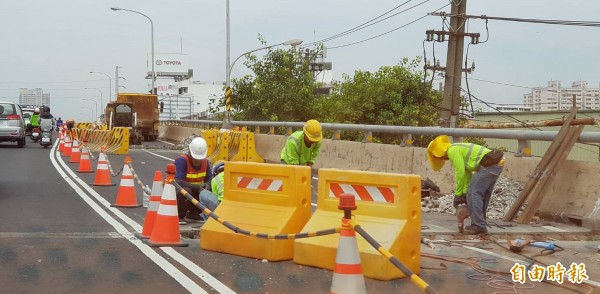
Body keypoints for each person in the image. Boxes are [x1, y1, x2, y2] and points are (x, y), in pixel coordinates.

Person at [426, 135, 504, 235]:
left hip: (490, 164)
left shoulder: (452, 150)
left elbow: (460, 172)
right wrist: (464, 192)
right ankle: (481, 223)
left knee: (473, 192)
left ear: (439, 154)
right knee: (481, 194)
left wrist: (458, 195)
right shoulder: (457, 147)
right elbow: (467, 174)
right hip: (497, 163)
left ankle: (479, 226)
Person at [174, 137, 219, 224]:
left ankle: (193, 214)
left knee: (206, 192)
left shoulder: (205, 162)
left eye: (200, 159)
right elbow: (178, 182)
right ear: (190, 153)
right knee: (186, 191)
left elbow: (210, 178)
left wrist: (207, 185)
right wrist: (198, 187)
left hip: (195, 192)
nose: (198, 161)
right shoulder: (182, 161)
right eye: (195, 158)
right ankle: (180, 215)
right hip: (179, 194)